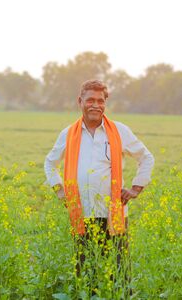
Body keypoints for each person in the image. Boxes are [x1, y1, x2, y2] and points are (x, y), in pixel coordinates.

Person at [44, 79, 154, 293]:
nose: (96, 105)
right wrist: (59, 189)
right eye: (90, 100)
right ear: (80, 101)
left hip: (113, 214)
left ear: (105, 103)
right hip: (81, 213)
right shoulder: (68, 134)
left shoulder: (120, 131)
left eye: (100, 101)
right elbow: (50, 162)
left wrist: (136, 188)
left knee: (119, 270)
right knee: (85, 271)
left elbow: (146, 158)